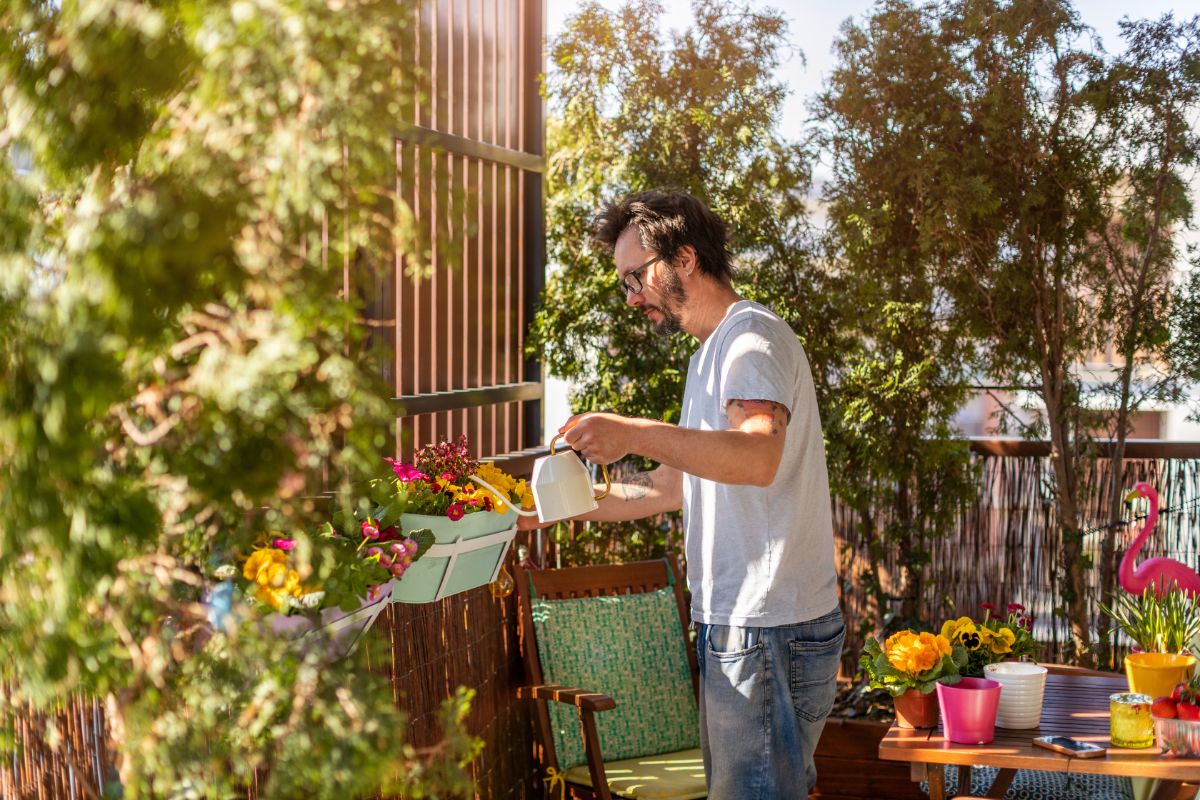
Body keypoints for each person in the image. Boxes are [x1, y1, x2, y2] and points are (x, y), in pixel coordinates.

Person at [520, 188, 843, 798]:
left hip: (766, 630)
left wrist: (631, 431)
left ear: (685, 259)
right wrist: (551, 510)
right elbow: (671, 486)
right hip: (741, 628)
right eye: (624, 283)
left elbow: (757, 456)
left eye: (636, 276)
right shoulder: (708, 357)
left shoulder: (751, 341)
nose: (632, 296)